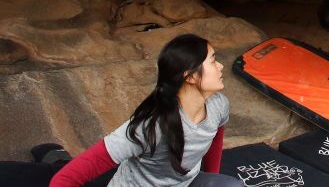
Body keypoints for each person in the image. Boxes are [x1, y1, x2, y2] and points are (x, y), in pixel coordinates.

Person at [51, 34, 240, 186]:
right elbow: (64, 180)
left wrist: (211, 178)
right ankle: (55, 158)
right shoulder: (150, 126)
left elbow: (214, 139)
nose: (221, 66)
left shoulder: (219, 105)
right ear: (190, 76)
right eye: (213, 61)